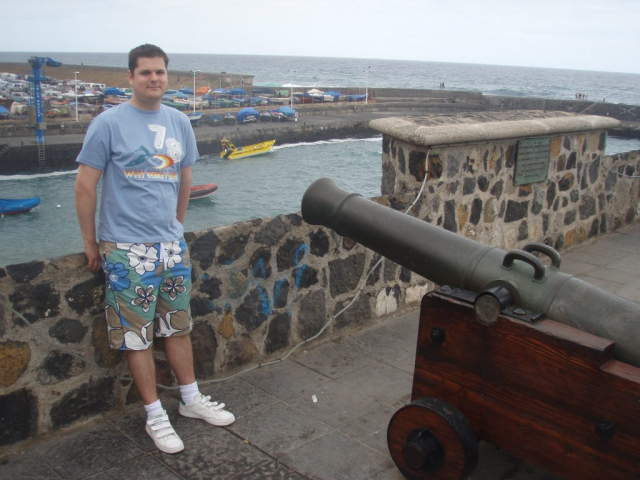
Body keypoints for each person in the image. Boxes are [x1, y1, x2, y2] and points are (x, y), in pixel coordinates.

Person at [75, 44, 234, 455]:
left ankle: (191, 399)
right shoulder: (108, 124)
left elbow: (185, 180)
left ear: (168, 77)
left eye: (160, 72)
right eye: (145, 72)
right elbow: (85, 185)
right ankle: (154, 415)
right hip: (126, 248)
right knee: (137, 336)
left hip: (171, 246)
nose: (154, 79)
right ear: (130, 77)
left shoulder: (180, 122)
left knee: (177, 325)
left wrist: (176, 227)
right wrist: (91, 242)